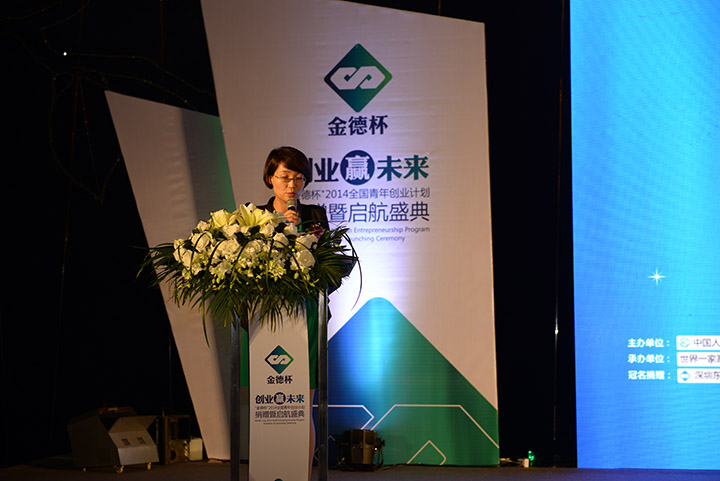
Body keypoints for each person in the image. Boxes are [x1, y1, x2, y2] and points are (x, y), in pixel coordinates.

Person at [259, 146, 326, 481]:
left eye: (299, 178)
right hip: (265, 322)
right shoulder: (252, 217)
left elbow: (327, 267)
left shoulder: (315, 215)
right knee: (267, 405)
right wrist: (277, 231)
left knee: (301, 405)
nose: (292, 185)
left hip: (305, 316)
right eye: (285, 177)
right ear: (270, 178)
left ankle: (302, 475)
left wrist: (299, 236)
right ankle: (269, 471)